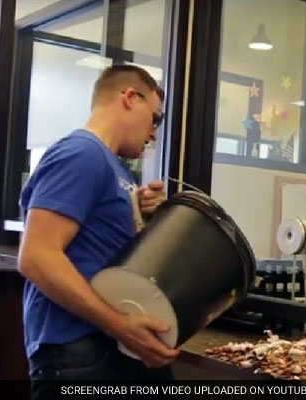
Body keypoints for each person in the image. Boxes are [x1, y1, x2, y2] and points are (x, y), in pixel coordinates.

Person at [17, 65, 180, 393]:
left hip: (105, 345)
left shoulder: (113, 166)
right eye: (156, 118)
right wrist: (120, 325)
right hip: (77, 349)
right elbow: (36, 256)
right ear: (130, 98)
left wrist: (145, 218)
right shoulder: (82, 154)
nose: (154, 133)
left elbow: (98, 248)